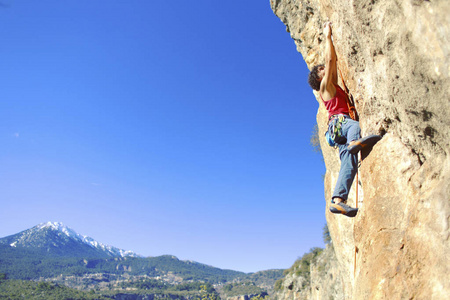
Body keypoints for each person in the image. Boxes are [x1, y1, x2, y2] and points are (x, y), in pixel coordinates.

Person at [308, 22, 380, 217]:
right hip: (341, 125)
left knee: (349, 163)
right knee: (354, 127)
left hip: (337, 132)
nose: (326, 69)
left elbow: (332, 63)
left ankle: (338, 200)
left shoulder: (334, 89)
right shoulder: (325, 87)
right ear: (319, 78)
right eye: (321, 70)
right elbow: (331, 60)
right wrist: (328, 36)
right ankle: (354, 141)